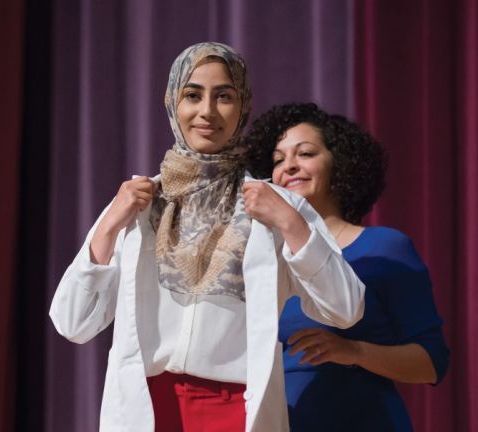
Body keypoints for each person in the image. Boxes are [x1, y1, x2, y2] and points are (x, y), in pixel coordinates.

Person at [49, 43, 365, 432]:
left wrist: (294, 226)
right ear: (171, 102)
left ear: (243, 105)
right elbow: (72, 322)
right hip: (146, 410)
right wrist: (108, 226)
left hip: (236, 413)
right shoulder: (140, 204)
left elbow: (345, 309)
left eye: (224, 97)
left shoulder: (274, 207)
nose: (207, 112)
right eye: (193, 95)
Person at [245, 102, 450, 431]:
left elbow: (432, 362)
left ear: (339, 164)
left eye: (306, 153)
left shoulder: (384, 248)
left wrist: (354, 351)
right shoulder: (265, 260)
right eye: (278, 160)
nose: (289, 167)